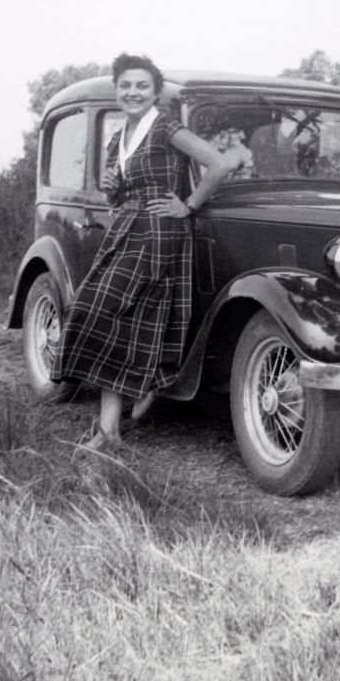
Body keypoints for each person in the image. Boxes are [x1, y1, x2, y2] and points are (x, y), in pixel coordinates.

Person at [51, 53, 239, 451]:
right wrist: (109, 185)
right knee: (119, 318)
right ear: (117, 90)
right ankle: (113, 425)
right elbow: (118, 195)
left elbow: (219, 164)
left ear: (155, 92)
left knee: (102, 310)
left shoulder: (167, 126)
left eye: (142, 86)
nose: (132, 92)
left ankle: (126, 410)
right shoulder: (120, 136)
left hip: (158, 230)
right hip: (127, 227)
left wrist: (188, 205)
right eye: (125, 86)